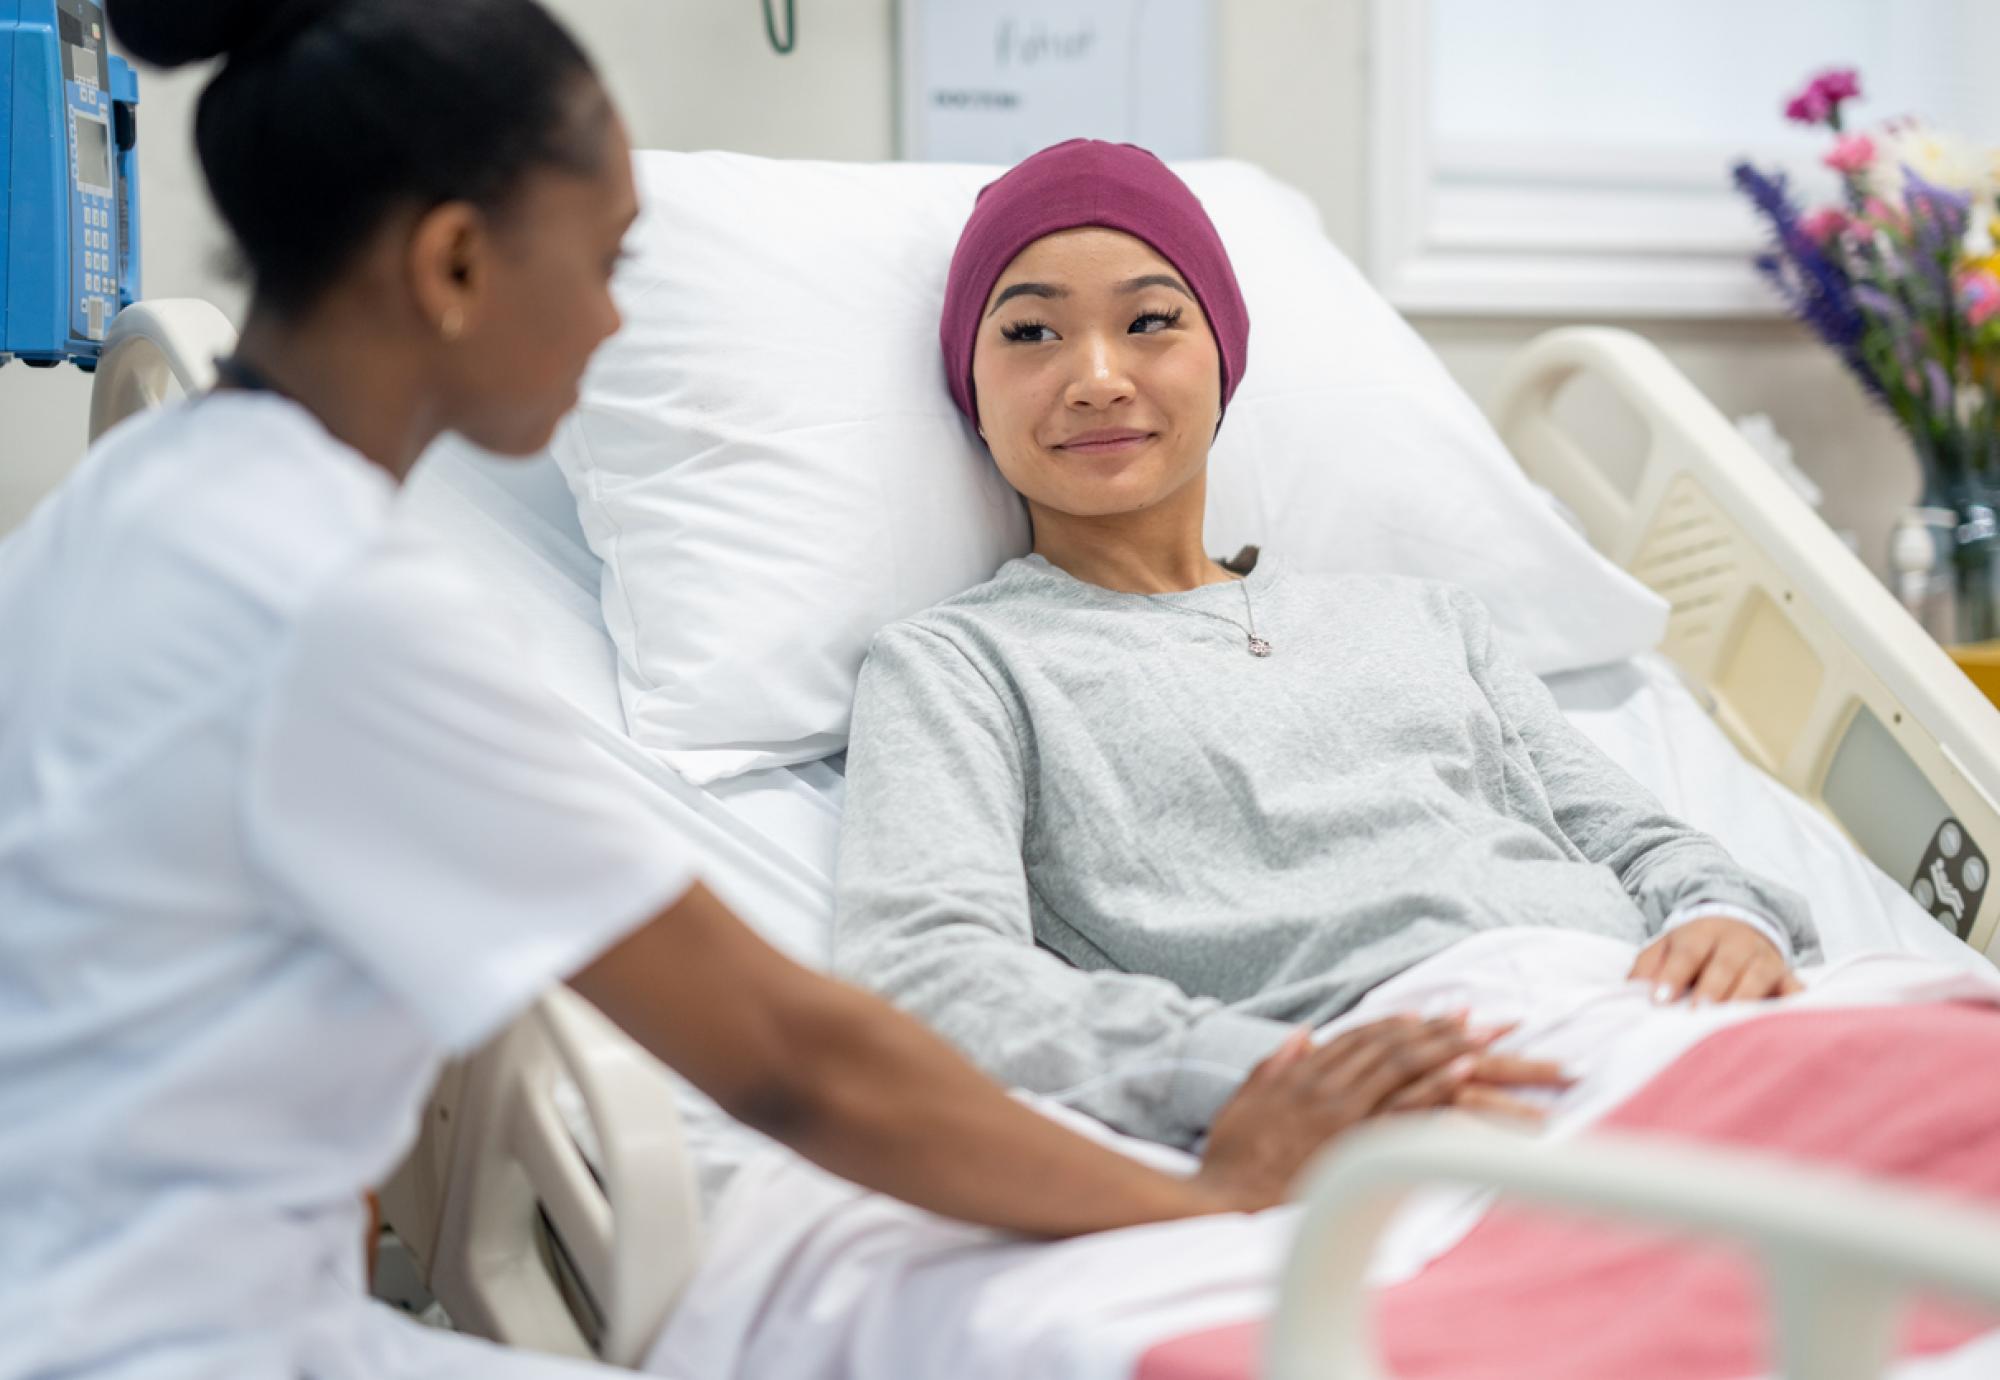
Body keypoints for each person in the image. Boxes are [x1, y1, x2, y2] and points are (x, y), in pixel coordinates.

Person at [0, 10, 1558, 1379]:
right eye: (605, 265)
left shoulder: (133, 512)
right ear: (456, 265)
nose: (616, 324)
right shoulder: (338, 599)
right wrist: (1209, 1199)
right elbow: (789, 1059)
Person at [832, 139, 1815, 1150]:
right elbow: (926, 969)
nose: (1094, 377)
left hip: (1662, 1010)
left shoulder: (1425, 618)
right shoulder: (959, 668)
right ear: (969, 389)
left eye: (1150, 322)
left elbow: (1631, 839)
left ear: (1222, 356)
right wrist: (1250, 1071)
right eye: (1031, 331)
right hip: (1405, 1087)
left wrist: (1726, 920)